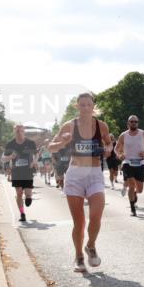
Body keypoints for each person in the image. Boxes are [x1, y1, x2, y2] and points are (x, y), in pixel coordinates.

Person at [49, 93, 113, 272]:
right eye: (82, 105)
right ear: (77, 107)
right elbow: (51, 147)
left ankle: (90, 246)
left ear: (93, 107)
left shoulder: (101, 126)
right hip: (75, 175)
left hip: (94, 174)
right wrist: (62, 142)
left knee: (96, 215)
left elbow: (109, 144)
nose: (86, 108)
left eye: (88, 105)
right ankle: (78, 256)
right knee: (79, 222)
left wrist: (108, 149)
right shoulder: (69, 126)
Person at [116, 115, 144, 217]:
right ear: (128, 123)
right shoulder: (123, 135)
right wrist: (120, 155)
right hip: (128, 163)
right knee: (131, 185)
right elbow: (116, 148)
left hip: (140, 163)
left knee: (139, 189)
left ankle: (135, 194)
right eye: (132, 121)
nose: (134, 123)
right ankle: (132, 209)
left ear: (138, 123)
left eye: (135, 122)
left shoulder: (143, 133)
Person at [3, 125, 38, 223]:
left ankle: (28, 197)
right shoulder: (10, 144)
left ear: (24, 132)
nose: (19, 133)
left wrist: (34, 161)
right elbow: (3, 158)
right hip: (16, 171)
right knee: (18, 193)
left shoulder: (30, 143)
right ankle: (22, 214)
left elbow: (36, 154)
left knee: (28, 195)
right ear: (14, 132)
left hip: (28, 171)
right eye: (17, 131)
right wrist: (10, 157)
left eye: (21, 131)